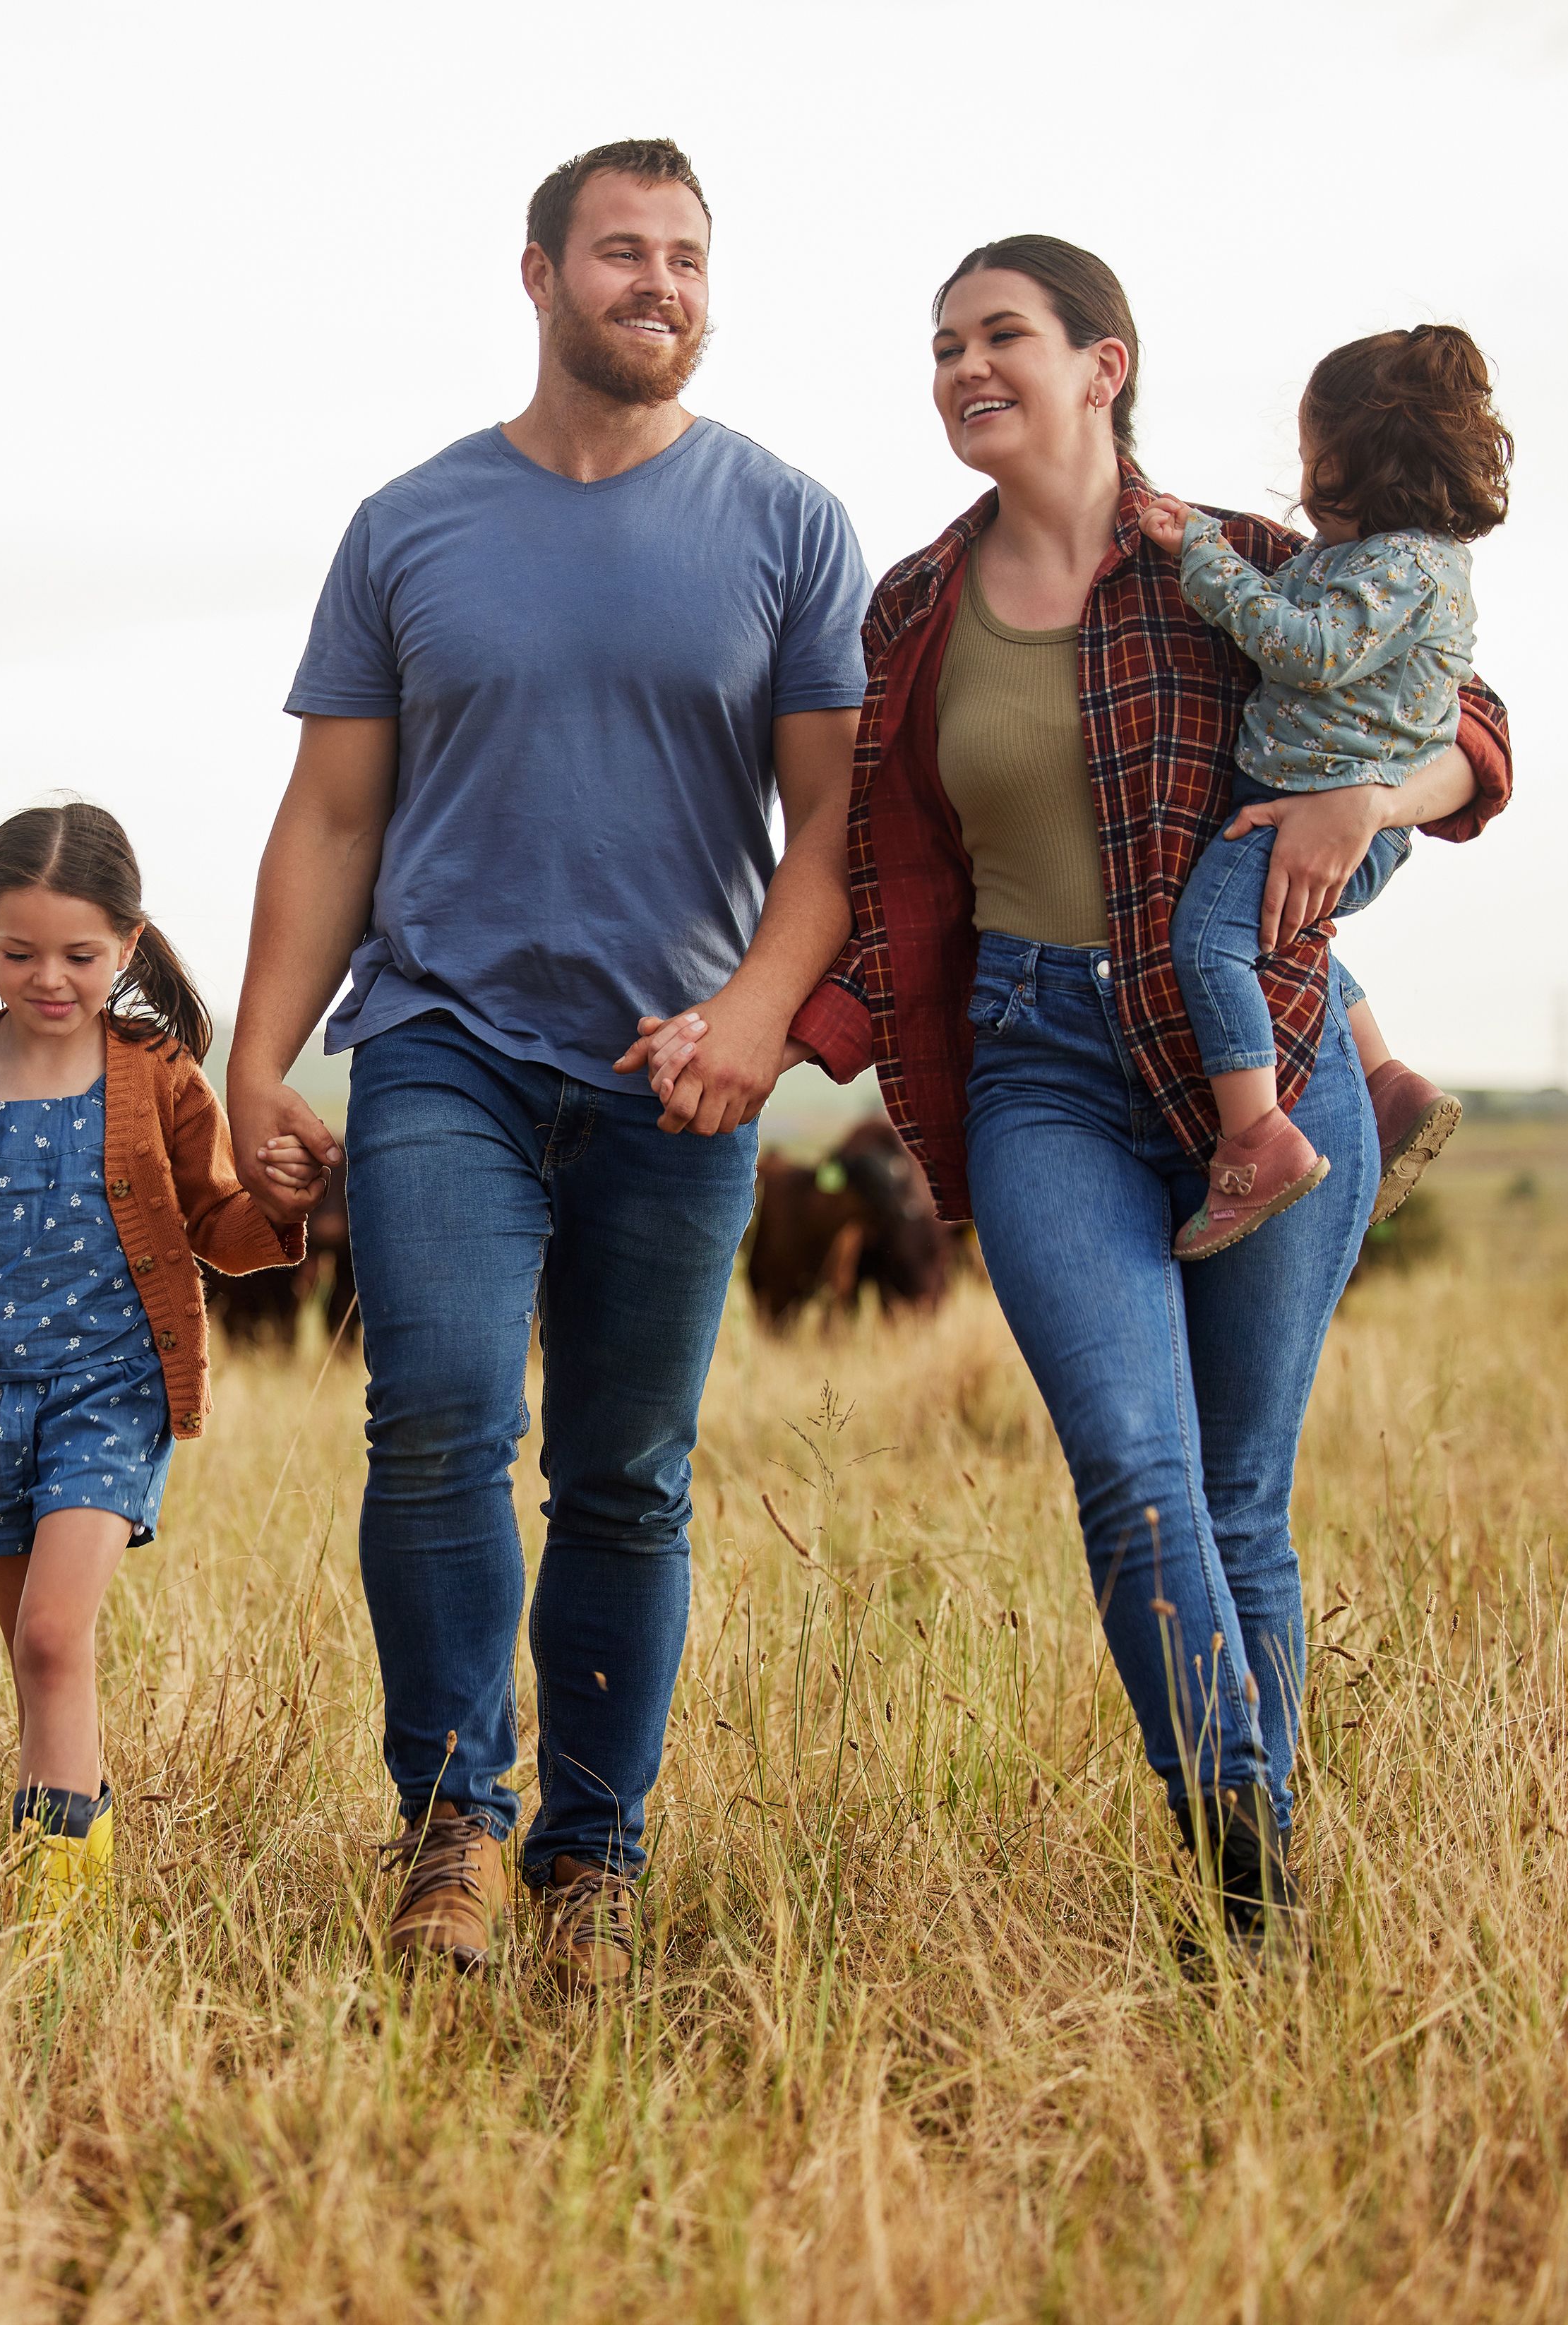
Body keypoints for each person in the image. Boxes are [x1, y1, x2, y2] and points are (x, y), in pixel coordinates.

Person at [647, 237, 1514, 1957]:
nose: (964, 366)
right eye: (943, 344)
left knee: (1239, 1495)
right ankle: (1246, 1851)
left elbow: (1471, 731)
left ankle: (1247, 1924)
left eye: (1002, 337)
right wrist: (757, 1021)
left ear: (1100, 366)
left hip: (1256, 1053)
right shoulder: (906, 610)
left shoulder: (1250, 567)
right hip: (1039, 1064)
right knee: (1132, 1470)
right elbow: (853, 860)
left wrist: (1365, 805)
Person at [225, 138, 870, 1990]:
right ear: (536, 276)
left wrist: (754, 1022)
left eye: (684, 257)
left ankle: (593, 1857)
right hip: (443, 1043)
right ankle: (450, 1827)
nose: (656, 283)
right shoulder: (409, 523)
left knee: (626, 1473)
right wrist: (260, 1062)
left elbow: (830, 827)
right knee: (436, 1411)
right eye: (620, 253)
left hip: (680, 1070)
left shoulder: (788, 522)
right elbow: (334, 815)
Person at [0, 802, 314, 1937]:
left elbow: (218, 1221)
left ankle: (59, 1918)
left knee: (55, 1634)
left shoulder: (155, 1072)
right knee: (36, 1659)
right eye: (20, 953)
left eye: (80, 956)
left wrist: (284, 1203)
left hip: (109, 1391)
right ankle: (56, 1885)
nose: (51, 977)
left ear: (130, 946)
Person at [1137, 325, 1514, 1257]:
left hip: (1316, 808)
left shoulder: (1399, 569)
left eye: (1313, 459)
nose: (1301, 484)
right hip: (1311, 799)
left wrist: (1210, 558)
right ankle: (1386, 1079)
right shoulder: (1371, 561)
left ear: (1366, 463)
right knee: (1275, 936)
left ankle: (1255, 1140)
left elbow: (1306, 647)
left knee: (1209, 941)